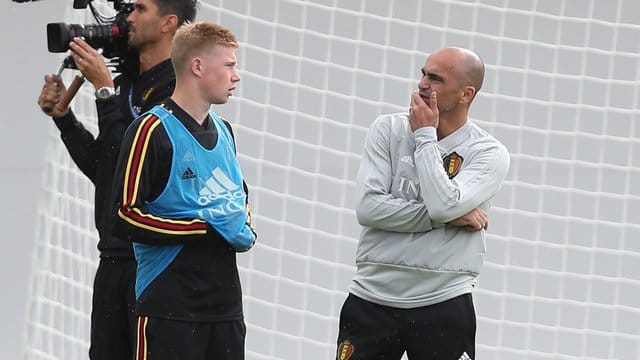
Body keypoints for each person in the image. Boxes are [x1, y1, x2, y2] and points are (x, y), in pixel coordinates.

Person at [36, 1, 197, 358]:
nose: (128, 18)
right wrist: (65, 121)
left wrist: (105, 92)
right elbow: (109, 172)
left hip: (155, 265)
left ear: (169, 22)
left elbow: (140, 170)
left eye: (139, 9)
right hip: (112, 260)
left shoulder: (182, 87)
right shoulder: (124, 83)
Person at [336, 46, 510, 360]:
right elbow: (369, 208)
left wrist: (426, 136)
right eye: (423, 73)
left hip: (443, 301)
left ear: (465, 93)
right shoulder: (386, 130)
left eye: (436, 78)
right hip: (371, 297)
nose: (422, 84)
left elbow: (443, 205)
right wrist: (446, 216)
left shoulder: (488, 152)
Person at [111, 21, 256, 360]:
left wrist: (243, 225)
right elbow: (125, 214)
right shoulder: (151, 130)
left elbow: (239, 198)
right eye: (230, 65)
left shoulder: (225, 131)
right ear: (198, 66)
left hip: (225, 309)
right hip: (169, 307)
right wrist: (202, 227)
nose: (236, 76)